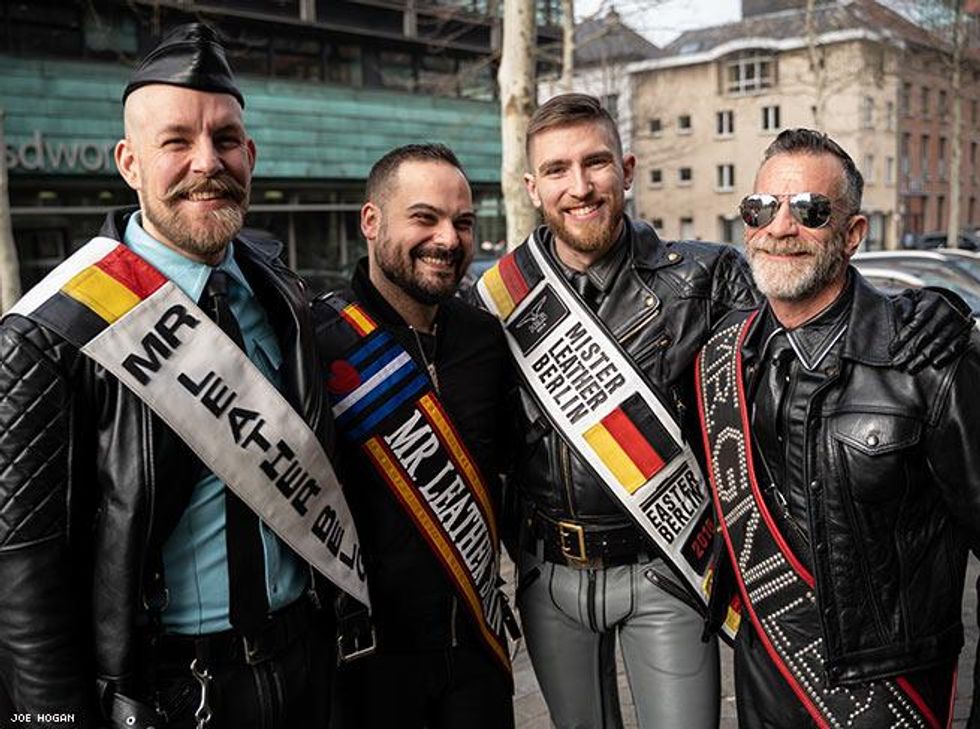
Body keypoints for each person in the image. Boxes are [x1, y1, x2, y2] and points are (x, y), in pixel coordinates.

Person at [471, 93, 974, 729]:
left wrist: (934, 306)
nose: (580, 187)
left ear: (626, 169)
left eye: (596, 163)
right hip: (548, 571)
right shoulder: (498, 298)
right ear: (531, 187)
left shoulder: (706, 276)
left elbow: (800, 308)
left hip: (668, 568)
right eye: (556, 170)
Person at [0, 23, 365, 729]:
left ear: (251, 155)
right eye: (176, 142)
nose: (208, 162)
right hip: (170, 692)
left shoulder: (279, 293)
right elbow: (23, 568)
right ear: (129, 162)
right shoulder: (48, 332)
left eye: (226, 140)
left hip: (306, 663)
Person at [696, 128, 979, 728]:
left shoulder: (929, 363)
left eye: (810, 211)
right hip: (763, 670)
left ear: (852, 234)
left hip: (884, 691)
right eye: (761, 208)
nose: (780, 228)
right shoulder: (723, 353)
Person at [313, 144, 515, 729]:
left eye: (463, 222)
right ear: (371, 223)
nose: (448, 240)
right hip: (370, 667)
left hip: (476, 650)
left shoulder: (485, 339)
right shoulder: (320, 339)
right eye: (424, 218)